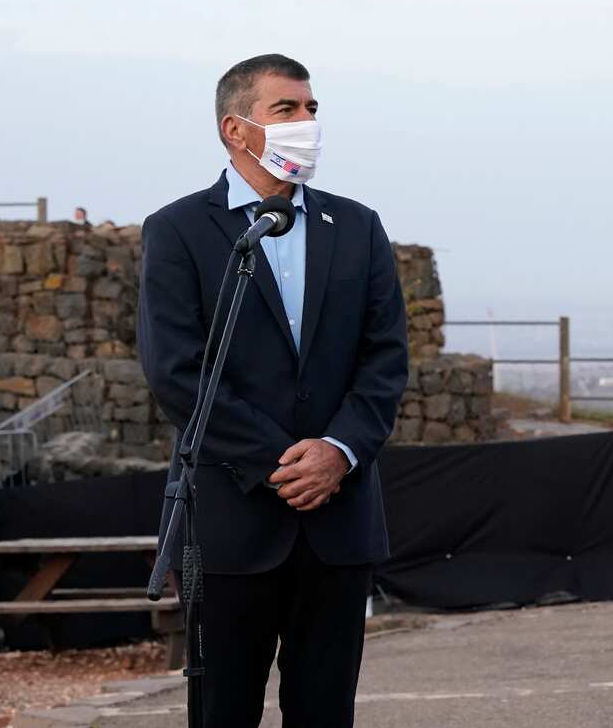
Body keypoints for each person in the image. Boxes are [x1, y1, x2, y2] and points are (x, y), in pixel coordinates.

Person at [137, 54, 408, 727]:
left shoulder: (359, 227)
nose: (306, 123)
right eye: (286, 110)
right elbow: (177, 371)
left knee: (324, 711)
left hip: (337, 524)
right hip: (229, 522)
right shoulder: (179, 231)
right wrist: (277, 462)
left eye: (312, 109)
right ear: (237, 129)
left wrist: (338, 451)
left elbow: (385, 360)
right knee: (222, 709)